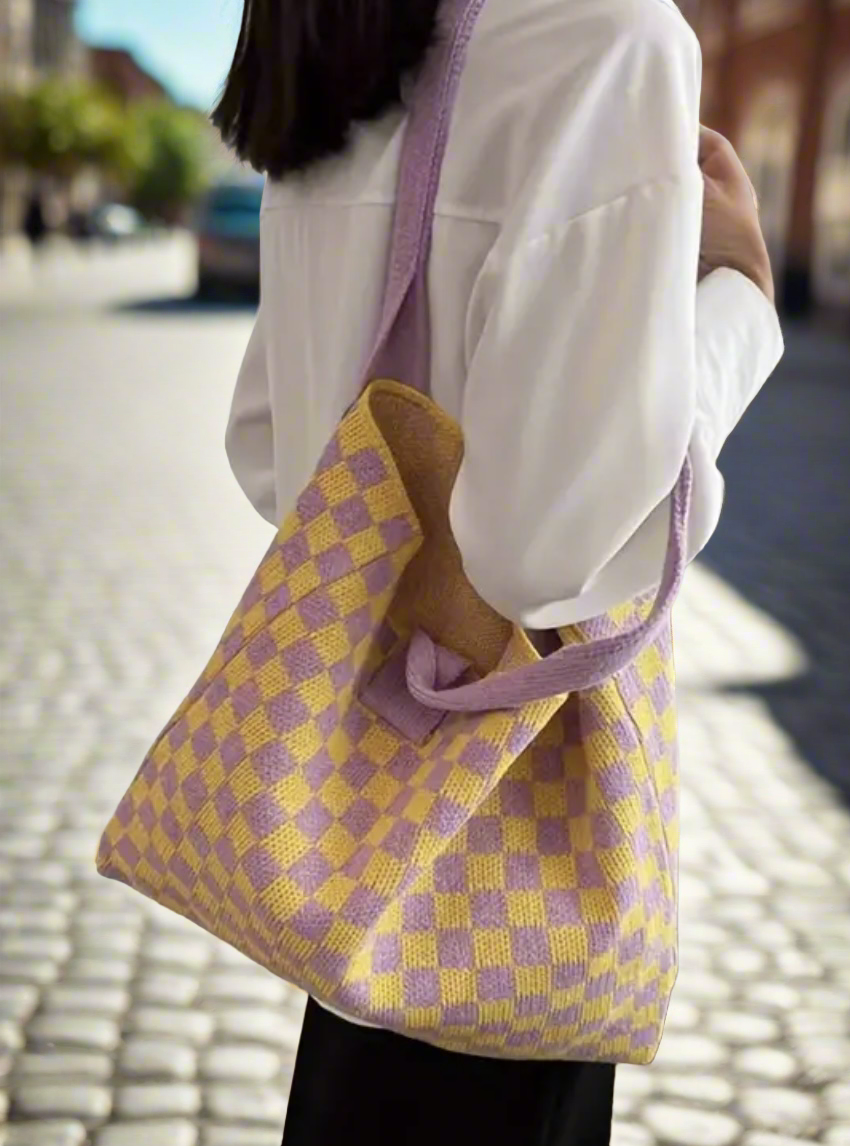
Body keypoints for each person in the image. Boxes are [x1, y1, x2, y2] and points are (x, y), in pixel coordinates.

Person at [214, 0, 784, 1142]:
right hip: (501, 839)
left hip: (364, 835)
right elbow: (536, 556)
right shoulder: (611, 41)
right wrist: (739, 308)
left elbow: (267, 445)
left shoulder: (345, 46)